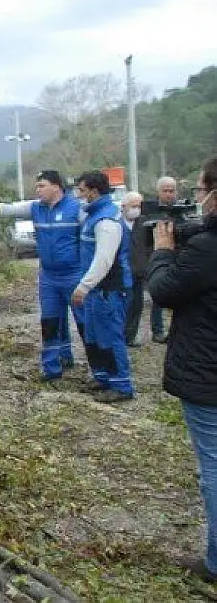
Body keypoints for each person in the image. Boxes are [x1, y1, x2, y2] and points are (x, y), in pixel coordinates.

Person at [148, 158, 217, 582]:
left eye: (202, 188)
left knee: (213, 468)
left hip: (208, 373)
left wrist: (161, 252)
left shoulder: (208, 248)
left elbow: (164, 291)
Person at [0, 170, 84, 382]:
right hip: (48, 277)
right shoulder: (36, 208)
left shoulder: (76, 208)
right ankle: (52, 367)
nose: (37, 190)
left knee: (85, 322)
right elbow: (7, 209)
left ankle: (100, 371)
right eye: (37, 186)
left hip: (74, 275)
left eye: (42, 185)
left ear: (56, 186)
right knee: (50, 320)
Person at [71, 170, 135, 402]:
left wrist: (84, 286)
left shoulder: (106, 220)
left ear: (94, 192)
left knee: (110, 336)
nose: (79, 195)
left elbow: (104, 260)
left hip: (108, 290)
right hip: (97, 291)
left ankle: (121, 385)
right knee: (94, 335)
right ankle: (103, 378)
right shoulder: (94, 215)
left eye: (82, 190)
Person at [148, 176, 179, 343]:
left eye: (171, 190)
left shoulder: (182, 209)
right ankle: (157, 330)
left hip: (179, 257)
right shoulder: (150, 210)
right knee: (157, 296)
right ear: (158, 192)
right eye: (165, 191)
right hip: (157, 257)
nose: (168, 194)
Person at [121, 191, 154, 347]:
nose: (137, 209)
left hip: (138, 273)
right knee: (122, 308)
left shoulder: (144, 224)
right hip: (121, 275)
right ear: (124, 207)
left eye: (139, 206)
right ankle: (119, 337)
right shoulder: (116, 224)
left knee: (136, 307)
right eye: (133, 206)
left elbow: (149, 246)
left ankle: (130, 336)